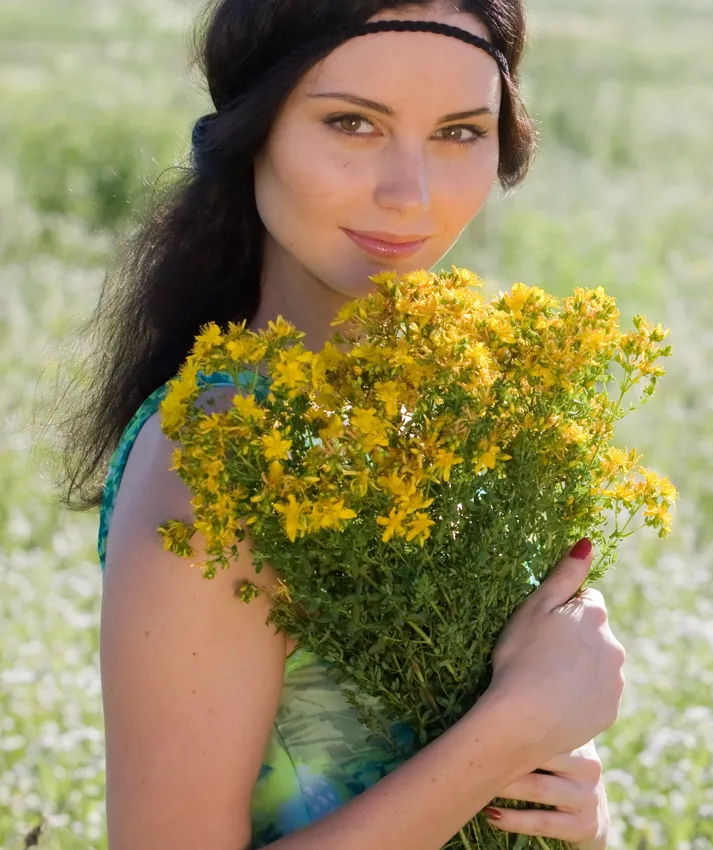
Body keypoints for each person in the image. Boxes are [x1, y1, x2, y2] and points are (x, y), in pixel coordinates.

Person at [54, 1, 626, 848]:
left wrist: (572, 813)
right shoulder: (219, 456)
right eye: (353, 123)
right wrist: (513, 730)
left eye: (460, 132)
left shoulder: (452, 402)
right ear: (255, 132)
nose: (410, 194)